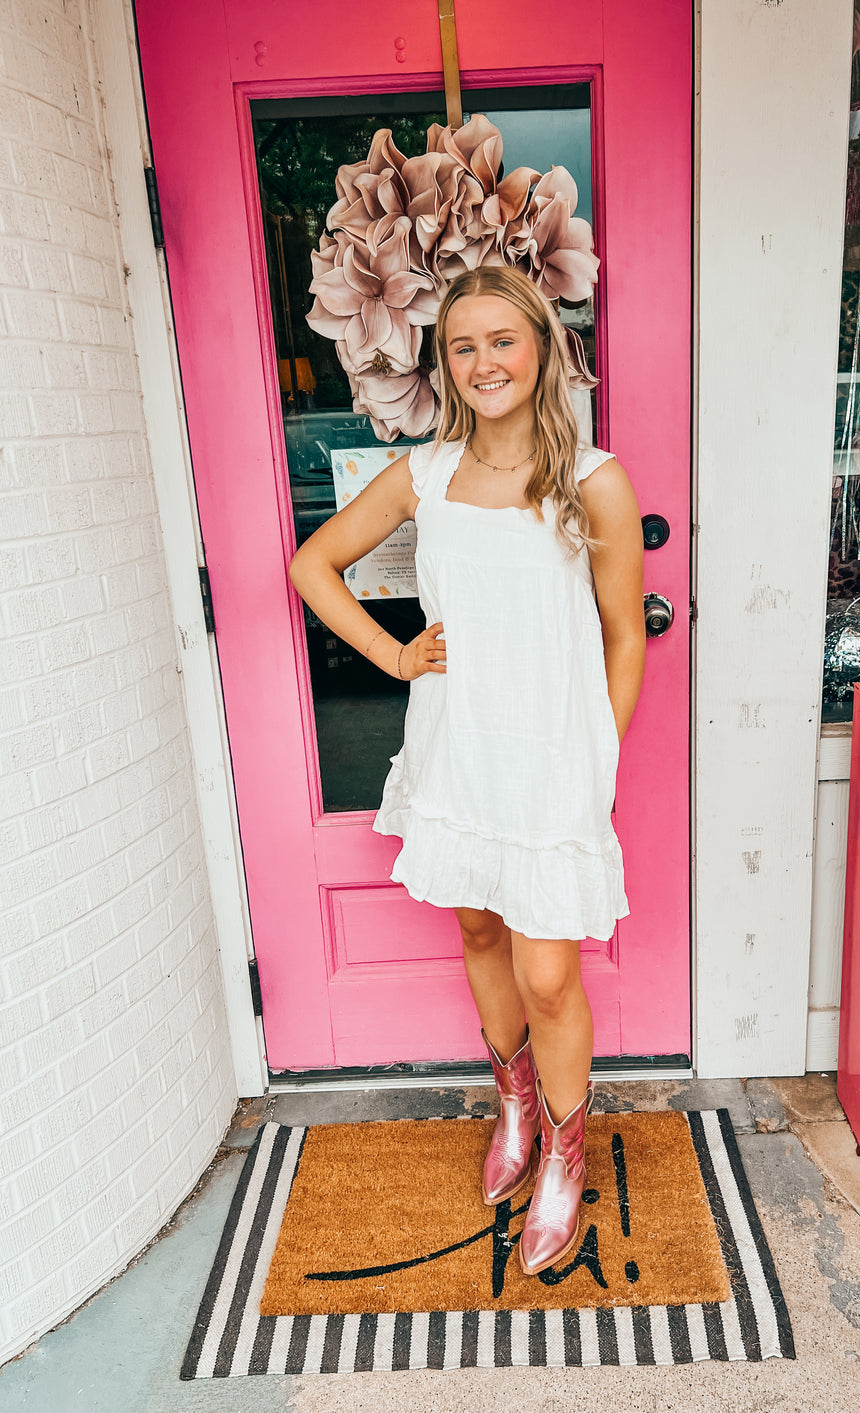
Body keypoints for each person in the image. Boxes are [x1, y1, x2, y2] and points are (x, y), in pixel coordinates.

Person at [289, 265, 645, 1275]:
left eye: (502, 340)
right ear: (444, 364)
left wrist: (597, 760)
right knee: (480, 929)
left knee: (549, 972)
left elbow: (625, 636)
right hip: (459, 747)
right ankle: (515, 1107)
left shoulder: (593, 480)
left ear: (540, 349)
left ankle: (566, 1156)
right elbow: (313, 564)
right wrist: (394, 654)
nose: (484, 362)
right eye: (462, 345)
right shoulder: (426, 475)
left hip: (551, 760)